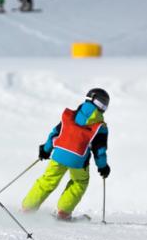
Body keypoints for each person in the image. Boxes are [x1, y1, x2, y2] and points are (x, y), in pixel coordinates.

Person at [21, 88, 111, 220]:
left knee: (48, 180)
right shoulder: (100, 126)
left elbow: (55, 133)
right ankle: (64, 213)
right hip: (78, 160)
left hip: (58, 155)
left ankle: (28, 209)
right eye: (102, 104)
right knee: (79, 182)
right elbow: (99, 150)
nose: (103, 107)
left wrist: (46, 150)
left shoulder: (70, 116)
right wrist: (102, 166)